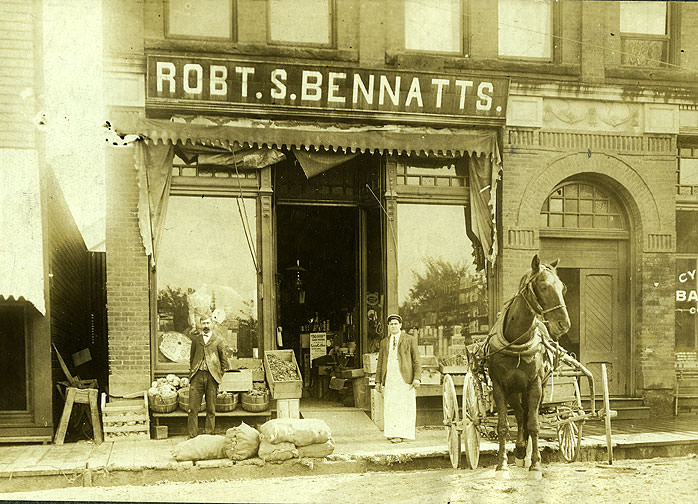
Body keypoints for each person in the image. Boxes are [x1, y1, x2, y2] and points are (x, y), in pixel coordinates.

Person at [375, 313, 421, 443]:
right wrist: (378, 381)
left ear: (400, 325)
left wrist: (417, 378)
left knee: (404, 406)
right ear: (388, 326)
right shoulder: (384, 342)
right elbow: (380, 362)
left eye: (396, 324)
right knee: (390, 405)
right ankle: (392, 432)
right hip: (390, 377)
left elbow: (417, 360)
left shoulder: (409, 339)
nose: (393, 326)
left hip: (405, 378)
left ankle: (401, 434)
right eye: (391, 324)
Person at [188, 313, 230, 438]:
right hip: (197, 377)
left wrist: (218, 375)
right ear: (200, 325)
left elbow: (224, 362)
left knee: (211, 409)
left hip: (212, 378)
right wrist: (193, 373)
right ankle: (192, 436)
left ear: (211, 324)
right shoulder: (196, 340)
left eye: (207, 323)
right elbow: (192, 359)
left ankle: (209, 435)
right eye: (203, 323)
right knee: (192, 409)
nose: (205, 325)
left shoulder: (218, 340)